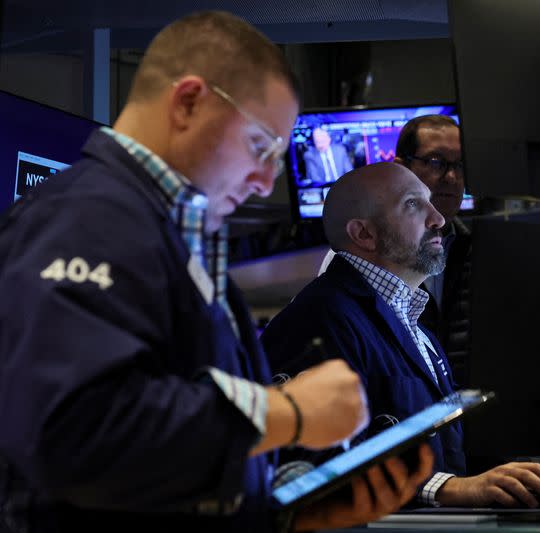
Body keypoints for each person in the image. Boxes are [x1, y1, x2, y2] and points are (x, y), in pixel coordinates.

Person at [0, 12, 432, 533]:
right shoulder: (86, 217)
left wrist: (287, 508)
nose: (265, 180)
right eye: (260, 146)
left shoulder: (179, 240)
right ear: (188, 102)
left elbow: (166, 462)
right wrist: (284, 412)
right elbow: (70, 431)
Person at [260, 162, 540, 508]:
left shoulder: (418, 331)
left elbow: (460, 457)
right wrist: (445, 489)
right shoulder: (319, 318)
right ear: (364, 234)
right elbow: (307, 466)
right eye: (413, 205)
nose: (438, 218)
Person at [318, 115, 471, 382]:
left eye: (460, 164)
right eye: (436, 162)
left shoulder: (478, 247)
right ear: (402, 165)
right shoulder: (351, 260)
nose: (451, 176)